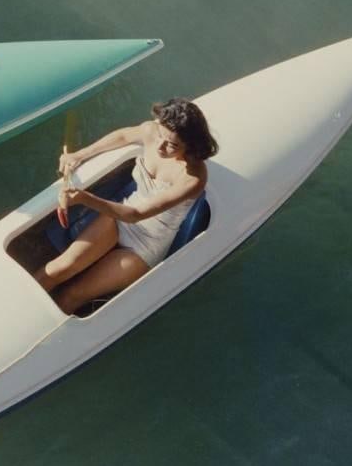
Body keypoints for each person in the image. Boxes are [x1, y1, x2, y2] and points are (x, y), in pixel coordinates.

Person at [35, 99, 217, 314]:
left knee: (72, 295)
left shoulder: (193, 178)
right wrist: (79, 155)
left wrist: (84, 198)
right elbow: (122, 136)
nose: (160, 146)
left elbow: (136, 214)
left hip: (145, 245)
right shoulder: (151, 131)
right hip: (119, 218)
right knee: (57, 269)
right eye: (161, 135)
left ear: (190, 146)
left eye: (172, 145)